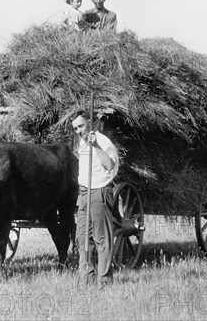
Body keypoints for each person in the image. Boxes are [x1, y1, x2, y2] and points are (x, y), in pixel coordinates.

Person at [72, 110, 119, 287]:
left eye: (81, 126)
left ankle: (104, 281)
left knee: (102, 238)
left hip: (99, 191)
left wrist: (96, 146)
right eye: (76, 128)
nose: (79, 131)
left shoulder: (103, 141)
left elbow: (109, 165)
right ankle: (86, 278)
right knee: (82, 238)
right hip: (83, 193)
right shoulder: (82, 143)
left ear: (90, 123)